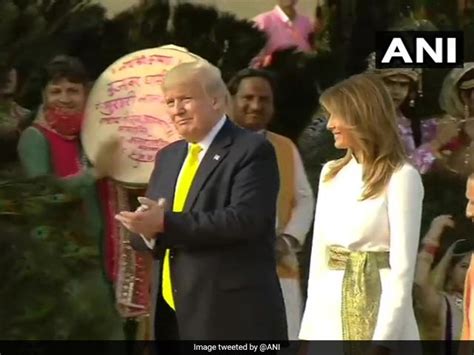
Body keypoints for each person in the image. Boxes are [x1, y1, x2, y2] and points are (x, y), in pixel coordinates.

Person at [116, 60, 287, 342]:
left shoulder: (252, 150)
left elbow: (245, 220)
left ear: (216, 100)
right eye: (170, 102)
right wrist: (144, 230)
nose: (177, 110)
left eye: (185, 99)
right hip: (171, 316)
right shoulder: (168, 156)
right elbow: (155, 229)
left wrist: (164, 223)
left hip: (230, 317)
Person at [299, 73, 423, 353]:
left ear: (361, 116)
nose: (329, 124)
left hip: (382, 313)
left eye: (336, 116)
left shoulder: (402, 177)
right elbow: (319, 259)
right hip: (329, 318)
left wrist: (383, 342)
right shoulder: (331, 173)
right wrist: (307, 335)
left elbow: (402, 270)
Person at [17, 55, 123, 339]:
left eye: (73, 90)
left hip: (99, 261)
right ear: (44, 95)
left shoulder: (87, 138)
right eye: (56, 90)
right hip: (63, 269)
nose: (64, 98)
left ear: (85, 94)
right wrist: (94, 174)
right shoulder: (34, 138)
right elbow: (40, 198)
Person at [228, 68, 314, 343]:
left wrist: (287, 240)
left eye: (264, 99)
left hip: (278, 268)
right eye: (248, 97)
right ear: (231, 100)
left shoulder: (285, 146)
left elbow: (304, 199)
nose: (255, 105)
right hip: (228, 271)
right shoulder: (211, 146)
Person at [414, 214, 472, 343]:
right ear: (450, 270)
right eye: (464, 266)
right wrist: (433, 236)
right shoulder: (442, 304)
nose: (470, 273)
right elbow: (420, 283)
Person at [253, 0, 314, 67]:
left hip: (305, 71)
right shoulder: (263, 21)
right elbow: (253, 59)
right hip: (275, 72)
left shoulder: (306, 22)